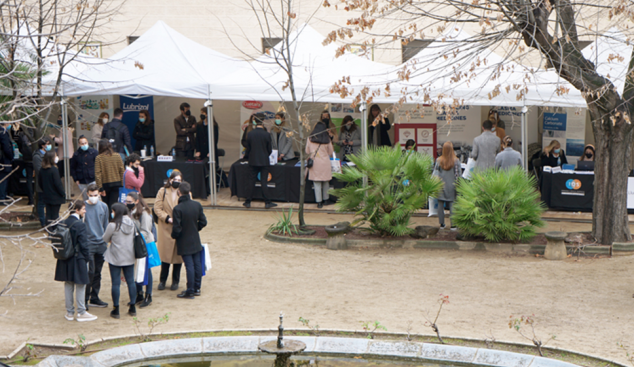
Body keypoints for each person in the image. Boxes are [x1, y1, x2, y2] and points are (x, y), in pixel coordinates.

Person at [54, 200, 98, 322]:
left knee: (68, 284)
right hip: (78, 258)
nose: (85, 211)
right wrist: (88, 259)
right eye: (83, 209)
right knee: (81, 284)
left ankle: (69, 313)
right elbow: (84, 245)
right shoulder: (80, 225)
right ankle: (81, 312)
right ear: (77, 210)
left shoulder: (62, 223)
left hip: (65, 258)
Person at [171, 182, 207, 299]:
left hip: (184, 240)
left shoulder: (178, 209)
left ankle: (190, 290)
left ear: (179, 192)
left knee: (189, 266)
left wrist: (174, 235)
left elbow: (176, 228)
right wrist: (195, 229)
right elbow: (203, 222)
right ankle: (197, 288)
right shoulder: (197, 205)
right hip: (195, 238)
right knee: (197, 263)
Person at [103, 202, 137, 319]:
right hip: (129, 256)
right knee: (131, 282)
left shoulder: (113, 225)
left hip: (115, 257)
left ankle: (116, 309)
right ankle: (133, 306)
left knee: (115, 283)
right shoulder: (132, 223)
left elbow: (105, 238)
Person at [154, 170, 184, 290]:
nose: (176, 182)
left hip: (179, 227)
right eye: (174, 180)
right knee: (165, 256)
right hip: (166, 227)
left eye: (179, 180)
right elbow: (157, 208)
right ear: (170, 180)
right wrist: (167, 218)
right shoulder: (162, 191)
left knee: (178, 256)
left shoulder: (184, 192)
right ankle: (162, 280)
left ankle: (175, 281)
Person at [125, 191, 154, 308]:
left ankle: (148, 295)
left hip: (144, 244)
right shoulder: (130, 211)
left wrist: (134, 237)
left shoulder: (144, 213)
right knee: (136, 268)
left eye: (130, 202)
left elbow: (146, 231)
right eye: (126, 201)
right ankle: (139, 294)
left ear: (136, 201)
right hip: (134, 243)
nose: (127, 204)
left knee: (146, 269)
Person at [84, 184, 109, 309]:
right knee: (90, 272)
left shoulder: (104, 206)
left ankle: (94, 297)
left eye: (96, 195)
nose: (94, 197)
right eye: (91, 195)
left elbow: (106, 225)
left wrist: (105, 242)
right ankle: (84, 299)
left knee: (98, 273)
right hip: (89, 244)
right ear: (87, 194)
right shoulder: (84, 207)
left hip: (101, 244)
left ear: (99, 194)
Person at [243, 113, 276, 209]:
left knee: (251, 181)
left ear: (255, 121)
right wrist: (265, 155)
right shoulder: (266, 134)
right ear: (263, 121)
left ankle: (248, 201)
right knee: (264, 181)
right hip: (264, 160)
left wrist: (249, 156)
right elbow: (269, 149)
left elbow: (248, 149)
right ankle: (267, 202)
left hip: (253, 160)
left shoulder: (250, 134)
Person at [306, 119, 334, 209]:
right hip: (325, 163)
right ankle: (326, 200)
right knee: (326, 182)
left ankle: (319, 202)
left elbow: (307, 151)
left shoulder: (310, 138)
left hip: (315, 162)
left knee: (317, 183)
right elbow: (331, 152)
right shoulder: (327, 139)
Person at [434, 141, 462, 230]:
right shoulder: (456, 160)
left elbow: (435, 174)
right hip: (452, 186)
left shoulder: (438, 160)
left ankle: (442, 224)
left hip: (441, 185)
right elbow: (458, 175)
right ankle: (453, 225)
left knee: (440, 205)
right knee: (452, 205)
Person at [95, 139, 125, 211]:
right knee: (113, 206)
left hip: (105, 185)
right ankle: (113, 220)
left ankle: (107, 221)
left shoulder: (99, 158)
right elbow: (122, 171)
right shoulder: (117, 156)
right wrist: (122, 183)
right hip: (116, 184)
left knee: (106, 206)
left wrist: (100, 188)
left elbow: (97, 174)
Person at [39, 151, 65, 226]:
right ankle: (54, 230)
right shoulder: (54, 170)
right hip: (56, 197)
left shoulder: (42, 169)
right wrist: (63, 193)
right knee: (55, 215)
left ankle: (49, 230)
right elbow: (58, 184)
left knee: (48, 215)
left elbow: (40, 183)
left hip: (47, 196)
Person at [11, 122, 34, 205]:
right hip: (35, 157)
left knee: (29, 179)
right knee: (38, 178)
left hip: (27, 159)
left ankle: (31, 199)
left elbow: (19, 145)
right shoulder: (35, 135)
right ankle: (39, 198)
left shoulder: (21, 135)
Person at [70, 135, 98, 201]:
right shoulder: (76, 154)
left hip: (93, 179)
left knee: (95, 198)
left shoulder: (94, 152)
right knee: (85, 199)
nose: (84, 145)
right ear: (79, 144)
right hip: (81, 180)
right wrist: (76, 179)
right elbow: (72, 167)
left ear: (87, 142)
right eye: (82, 143)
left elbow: (98, 165)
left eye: (85, 143)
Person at [33, 137, 52, 226]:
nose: (49, 146)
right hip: (42, 183)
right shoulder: (37, 156)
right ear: (42, 145)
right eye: (47, 144)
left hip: (49, 183)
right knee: (41, 203)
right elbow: (39, 170)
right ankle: (43, 222)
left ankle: (48, 220)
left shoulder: (48, 154)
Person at [0, 124, 14, 205]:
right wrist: (11, 156)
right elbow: (6, 147)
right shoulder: (3, 132)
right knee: (3, 179)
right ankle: (2, 198)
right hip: (4, 160)